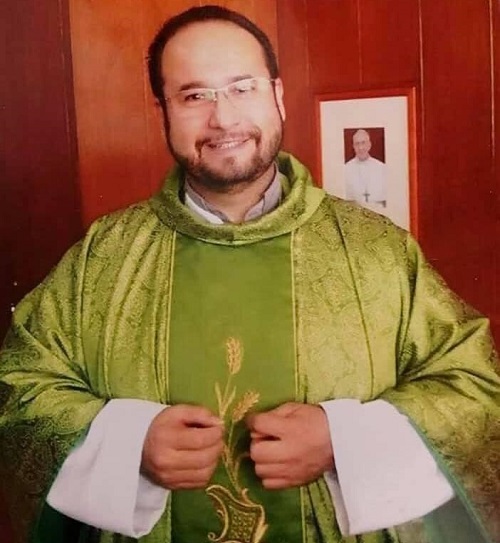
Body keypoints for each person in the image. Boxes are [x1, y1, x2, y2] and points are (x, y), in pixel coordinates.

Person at [0, 5, 499, 543]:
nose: (223, 118)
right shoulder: (104, 255)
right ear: (163, 110)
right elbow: (20, 389)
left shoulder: (377, 249)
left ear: (278, 95)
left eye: (243, 87)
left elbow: (473, 390)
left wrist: (344, 441)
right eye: (194, 96)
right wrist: (128, 444)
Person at [344, 129, 387, 209]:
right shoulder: (345, 169)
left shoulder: (382, 167)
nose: (360, 147)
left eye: (363, 143)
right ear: (353, 146)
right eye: (357, 144)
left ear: (369, 145)